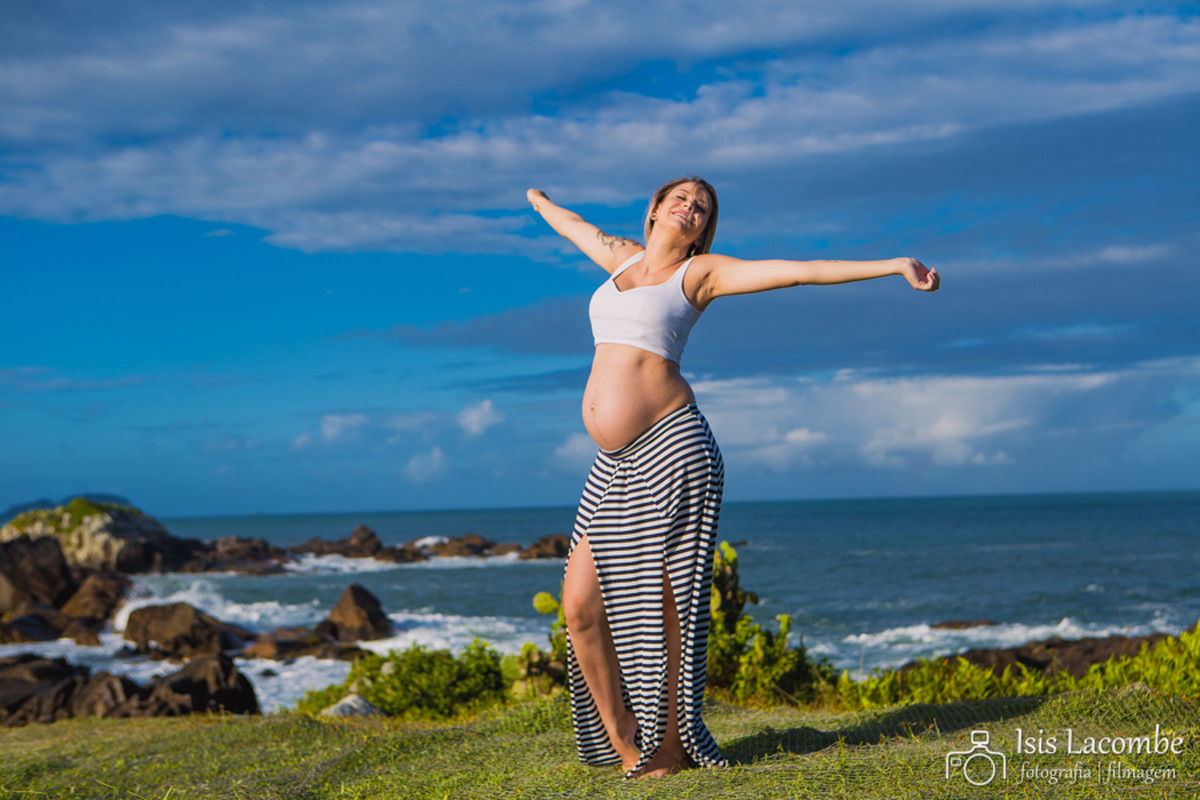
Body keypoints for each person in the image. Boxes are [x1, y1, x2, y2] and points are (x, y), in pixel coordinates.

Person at [526, 177, 939, 779]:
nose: (690, 209)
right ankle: (625, 747)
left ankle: (667, 750)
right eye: (681, 199)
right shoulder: (619, 258)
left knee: (665, 606)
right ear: (655, 209)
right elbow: (575, 227)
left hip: (673, 448)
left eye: (702, 208)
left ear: (704, 227)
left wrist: (895, 265)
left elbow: (802, 270)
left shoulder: (701, 274)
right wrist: (537, 201)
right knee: (581, 606)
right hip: (612, 464)